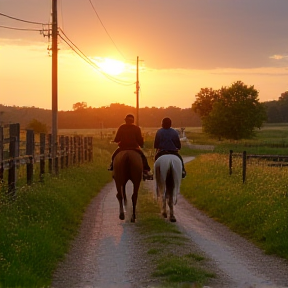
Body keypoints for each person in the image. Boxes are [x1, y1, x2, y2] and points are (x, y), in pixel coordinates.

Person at [108, 114, 153, 180]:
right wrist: (141, 144)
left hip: (122, 148)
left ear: (125, 120)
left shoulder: (121, 127)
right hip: (134, 148)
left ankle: (112, 166)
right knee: (143, 157)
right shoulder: (137, 128)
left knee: (114, 155)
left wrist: (114, 141)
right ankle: (146, 171)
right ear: (133, 121)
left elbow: (117, 139)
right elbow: (139, 140)